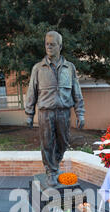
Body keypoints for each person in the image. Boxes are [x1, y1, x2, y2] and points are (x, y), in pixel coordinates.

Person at [25, 30, 85, 187]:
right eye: (47, 44)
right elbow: (31, 91)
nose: (49, 47)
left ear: (60, 46)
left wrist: (80, 114)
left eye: (52, 44)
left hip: (64, 112)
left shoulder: (69, 67)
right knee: (47, 143)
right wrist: (29, 114)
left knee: (63, 142)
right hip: (45, 113)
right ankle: (51, 171)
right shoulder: (38, 68)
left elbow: (76, 91)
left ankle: (54, 165)